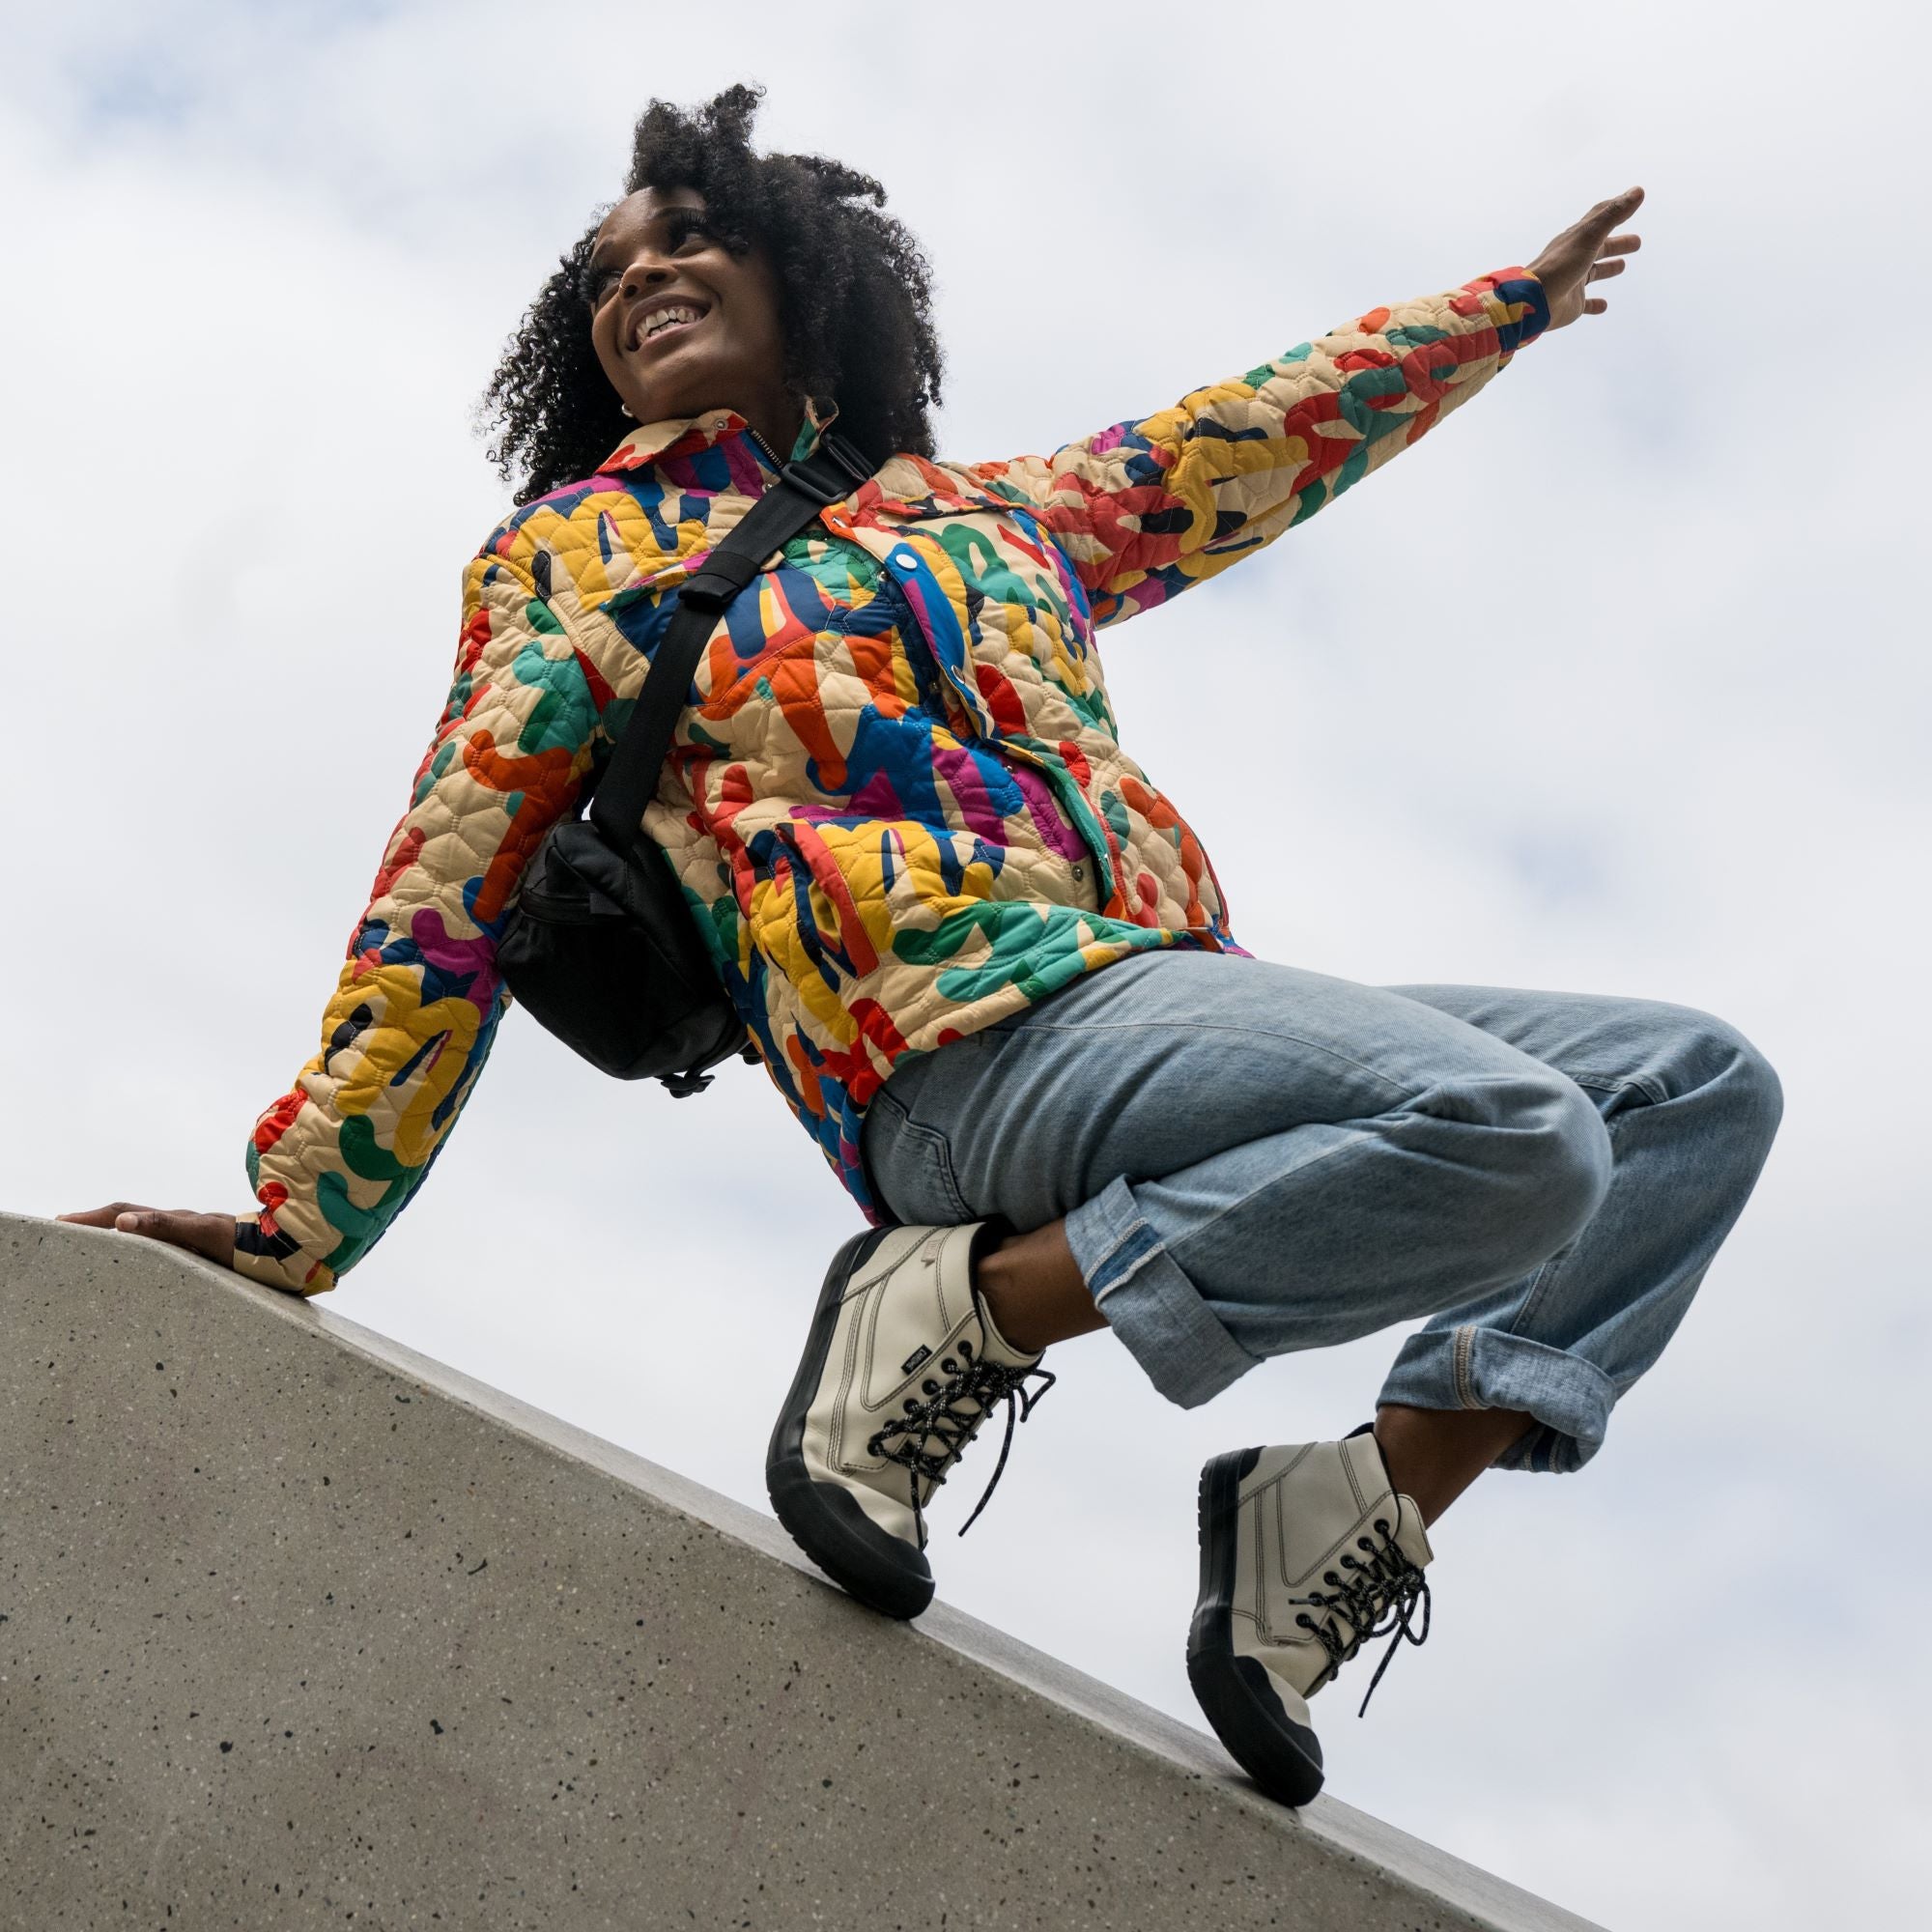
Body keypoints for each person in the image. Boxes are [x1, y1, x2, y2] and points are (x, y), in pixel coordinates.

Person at [64, 85, 1780, 1806]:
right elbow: (444, 889)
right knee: (1515, 1135)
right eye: (606, 272)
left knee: (1689, 1088)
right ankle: (964, 1302)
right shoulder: (573, 565)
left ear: (809, 277)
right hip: (945, 1051)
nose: (638, 277)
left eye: (687, 235)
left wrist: (1506, 310)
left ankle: (1348, 1512)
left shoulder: (994, 517)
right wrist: (301, 1214)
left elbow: (1244, 439)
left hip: (1153, 996)